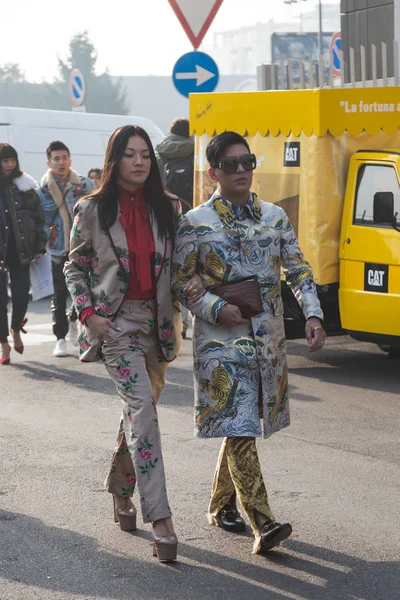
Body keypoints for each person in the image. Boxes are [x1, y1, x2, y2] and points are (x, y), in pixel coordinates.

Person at [172, 131, 326, 554]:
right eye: (231, 164)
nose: (242, 170)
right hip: (221, 346)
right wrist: (214, 308)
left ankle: (221, 502)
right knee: (239, 421)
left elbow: (297, 269)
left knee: (241, 423)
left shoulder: (275, 217)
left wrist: (312, 313)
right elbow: (181, 283)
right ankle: (263, 520)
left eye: (248, 161)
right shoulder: (195, 223)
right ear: (213, 172)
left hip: (267, 344)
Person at [64, 124, 195, 562]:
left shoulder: (170, 208)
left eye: (145, 155)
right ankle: (161, 518)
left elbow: (184, 267)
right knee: (143, 411)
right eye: (130, 154)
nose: (140, 162)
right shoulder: (92, 209)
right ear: (114, 160)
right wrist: (89, 315)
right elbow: (74, 267)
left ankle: (120, 489)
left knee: (140, 416)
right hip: (116, 327)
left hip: (159, 327)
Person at [37, 141, 93, 357]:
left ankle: (73, 321)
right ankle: (60, 337)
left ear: (70, 160)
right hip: (56, 249)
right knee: (59, 295)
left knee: (84, 291)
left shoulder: (85, 185)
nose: (61, 163)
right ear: (49, 163)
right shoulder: (41, 191)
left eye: (64, 158)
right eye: (56, 159)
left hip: (83, 247)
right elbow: (38, 220)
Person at [0, 143, 46, 365]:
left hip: (20, 251)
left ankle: (16, 327)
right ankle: (3, 344)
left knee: (20, 296)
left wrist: (40, 247)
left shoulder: (25, 186)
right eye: (4, 160)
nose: (9, 164)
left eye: (12, 160)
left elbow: (39, 220)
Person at [156, 118, 194, 339]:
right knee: (188, 267)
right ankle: (185, 321)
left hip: (165, 214)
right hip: (190, 213)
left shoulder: (159, 153)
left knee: (165, 267)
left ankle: (167, 318)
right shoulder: (195, 151)